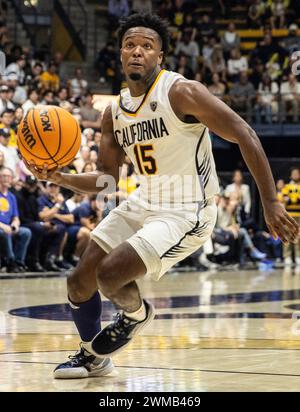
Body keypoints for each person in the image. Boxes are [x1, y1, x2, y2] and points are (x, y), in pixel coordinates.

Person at [25, 13, 300, 379]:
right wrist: (59, 176)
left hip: (187, 210)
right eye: (130, 45)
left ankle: (137, 314)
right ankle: (94, 356)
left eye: (147, 46)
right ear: (120, 54)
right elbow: (108, 181)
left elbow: (245, 133)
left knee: (110, 276)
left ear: (160, 57)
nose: (137, 51)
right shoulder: (113, 113)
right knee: (78, 280)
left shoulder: (182, 92)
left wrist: (271, 201)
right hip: (145, 200)